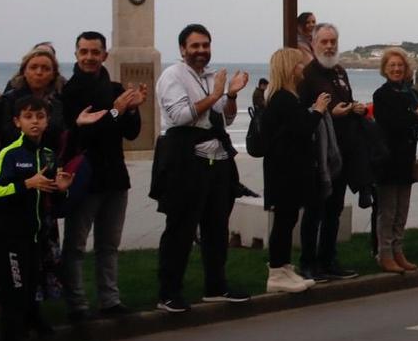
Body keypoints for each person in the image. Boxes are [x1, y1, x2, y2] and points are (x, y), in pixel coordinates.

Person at [151, 24, 251, 313]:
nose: (201, 51)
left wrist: (230, 95)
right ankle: (168, 292)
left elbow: (226, 119)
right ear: (182, 49)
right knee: (180, 228)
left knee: (216, 227)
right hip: (186, 161)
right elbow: (181, 115)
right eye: (195, 46)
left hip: (216, 161)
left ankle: (216, 286)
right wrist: (216, 94)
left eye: (205, 45)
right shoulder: (173, 76)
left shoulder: (210, 76)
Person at [59, 31, 146, 319]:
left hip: (114, 176)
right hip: (84, 177)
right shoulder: (70, 92)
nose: (89, 57)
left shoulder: (116, 88)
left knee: (109, 245)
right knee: (75, 245)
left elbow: (130, 132)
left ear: (104, 55)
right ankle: (77, 304)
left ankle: (109, 300)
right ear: (75, 54)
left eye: (95, 52)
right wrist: (116, 112)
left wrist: (131, 111)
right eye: (83, 51)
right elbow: (85, 134)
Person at [0, 97, 69, 341]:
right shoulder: (9, 154)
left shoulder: (48, 154)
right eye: (28, 116)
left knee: (28, 297)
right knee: (14, 297)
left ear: (47, 121)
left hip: (36, 237)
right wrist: (25, 184)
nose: (35, 121)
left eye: (40, 116)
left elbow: (54, 199)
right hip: (11, 239)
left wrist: (61, 188)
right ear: (17, 121)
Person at [300, 23, 368, 281]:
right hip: (318, 154)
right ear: (314, 44)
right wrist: (330, 112)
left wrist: (353, 108)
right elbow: (303, 111)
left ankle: (329, 260)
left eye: (333, 42)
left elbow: (344, 100)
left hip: (341, 152)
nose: (329, 46)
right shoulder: (307, 74)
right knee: (314, 210)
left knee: (334, 210)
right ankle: (308, 263)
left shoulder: (340, 71)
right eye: (324, 42)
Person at [255, 47, 318, 294]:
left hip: (289, 168)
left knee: (289, 217)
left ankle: (284, 267)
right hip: (284, 170)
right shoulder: (283, 98)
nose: (303, 69)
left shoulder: (287, 96)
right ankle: (276, 271)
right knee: (284, 219)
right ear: (291, 68)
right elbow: (301, 129)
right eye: (300, 65)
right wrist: (319, 111)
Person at [371, 48, 418, 274]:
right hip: (387, 159)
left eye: (400, 66)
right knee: (387, 211)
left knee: (401, 210)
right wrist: (416, 114)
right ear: (385, 69)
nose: (396, 69)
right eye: (392, 66)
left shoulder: (410, 93)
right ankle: (384, 253)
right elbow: (392, 124)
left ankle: (398, 250)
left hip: (406, 159)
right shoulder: (382, 94)